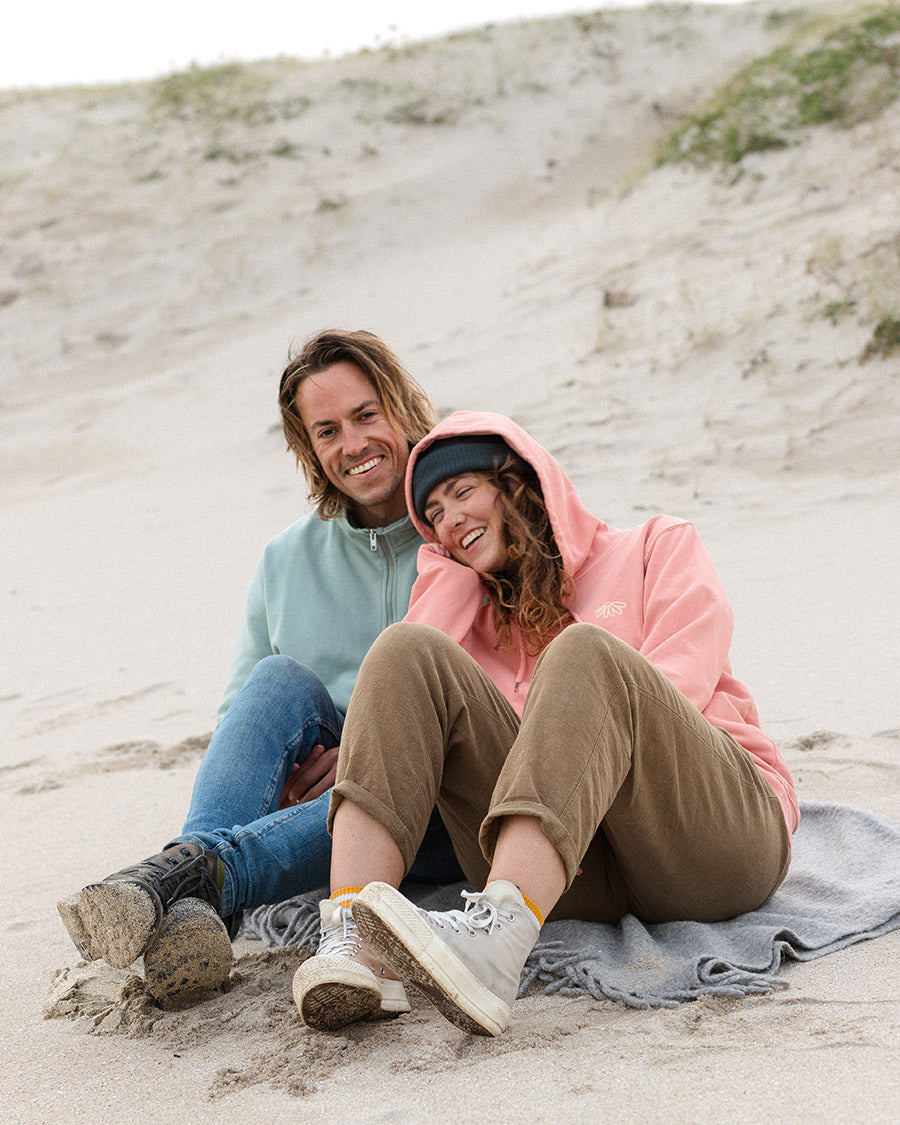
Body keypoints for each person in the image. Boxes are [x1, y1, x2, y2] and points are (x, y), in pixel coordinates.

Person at [293, 411, 798, 1036]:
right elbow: (410, 705)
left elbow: (686, 676)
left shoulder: (655, 546)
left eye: (463, 493)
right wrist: (450, 582)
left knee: (582, 650)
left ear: (518, 483)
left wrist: (576, 707)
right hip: (567, 877)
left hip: (708, 840)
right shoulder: (475, 607)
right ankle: (355, 940)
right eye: (435, 514)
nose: (450, 520)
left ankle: (496, 941)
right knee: (402, 650)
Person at [57, 329, 461, 1008]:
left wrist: (365, 758)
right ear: (308, 447)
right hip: (315, 809)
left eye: (367, 415)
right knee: (278, 679)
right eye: (327, 430)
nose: (354, 443)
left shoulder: (461, 526)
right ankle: (201, 911)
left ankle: (184, 879)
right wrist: (275, 788)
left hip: (437, 803)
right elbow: (241, 726)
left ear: (401, 407)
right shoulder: (286, 559)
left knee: (374, 787)